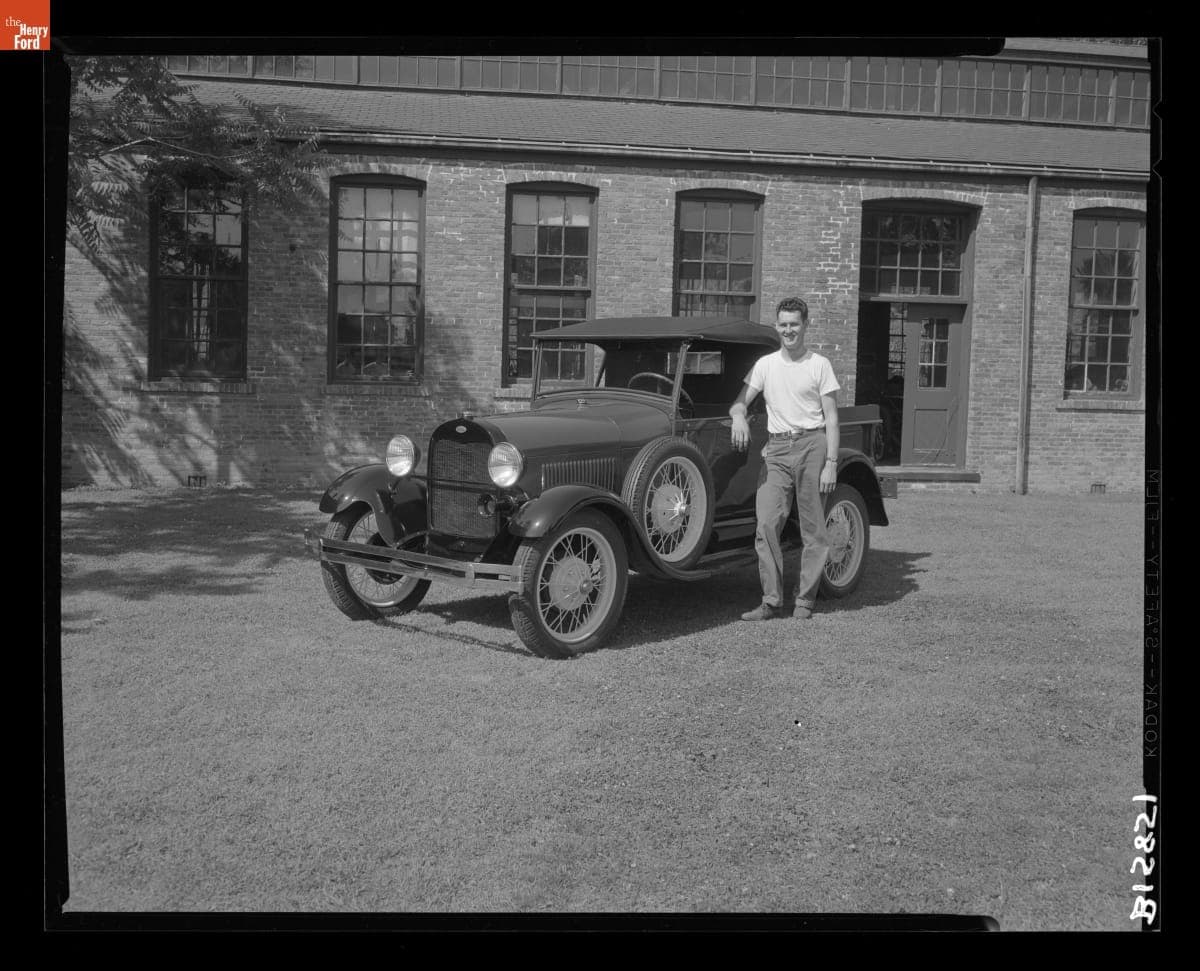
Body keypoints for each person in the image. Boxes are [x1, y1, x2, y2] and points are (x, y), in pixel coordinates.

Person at [729, 296, 840, 621]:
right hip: (776, 450)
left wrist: (831, 463)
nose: (788, 330)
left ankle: (804, 600)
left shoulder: (819, 365)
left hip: (812, 445)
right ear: (777, 326)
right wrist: (738, 416)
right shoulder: (766, 365)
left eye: (794, 324)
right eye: (783, 324)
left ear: (805, 326)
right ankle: (771, 601)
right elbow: (740, 402)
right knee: (766, 524)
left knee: (812, 529)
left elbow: (831, 418)